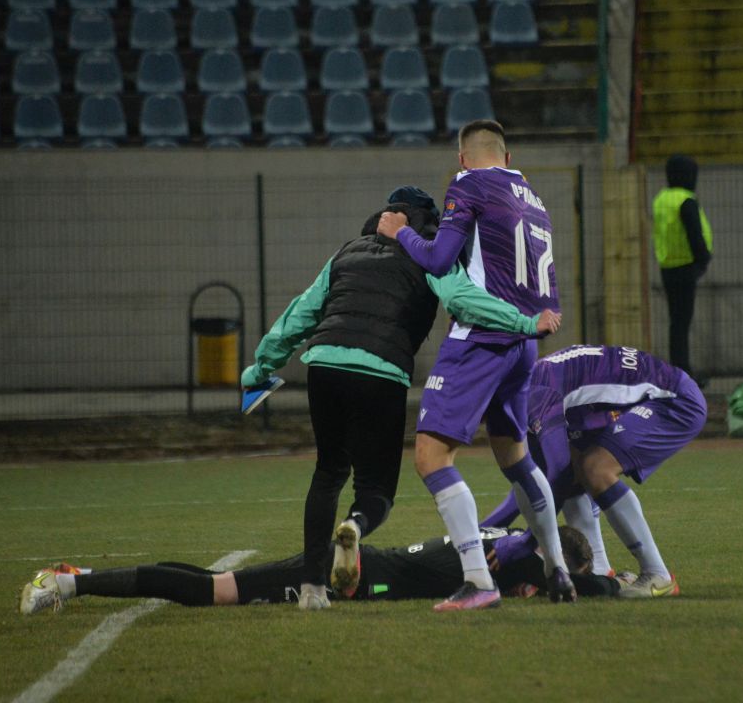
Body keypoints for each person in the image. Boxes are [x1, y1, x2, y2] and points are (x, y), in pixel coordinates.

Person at [241, 186, 561, 612]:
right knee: (376, 490)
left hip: (324, 363)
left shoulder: (347, 251)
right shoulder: (431, 252)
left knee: (328, 472)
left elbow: (300, 313)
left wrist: (261, 367)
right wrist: (523, 321)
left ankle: (312, 589)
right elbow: (462, 300)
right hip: (382, 371)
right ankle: (355, 524)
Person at [376, 120, 574, 611]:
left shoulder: (468, 183)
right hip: (524, 344)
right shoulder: (533, 197)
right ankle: (558, 569)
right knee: (516, 458)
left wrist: (401, 234)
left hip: (480, 339)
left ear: (463, 159)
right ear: (507, 157)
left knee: (430, 456)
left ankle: (479, 581)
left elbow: (440, 260)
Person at [480, 345, 707, 598]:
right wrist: (485, 530)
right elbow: (535, 479)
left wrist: (525, 542)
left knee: (595, 469)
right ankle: (600, 572)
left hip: (675, 400)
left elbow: (556, 475)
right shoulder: (527, 385)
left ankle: (658, 574)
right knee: (578, 468)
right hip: (648, 395)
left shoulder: (534, 396)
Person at [18, 526, 618, 615]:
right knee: (210, 592)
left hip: (384, 563)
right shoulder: (521, 554)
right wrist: (607, 582)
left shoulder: (498, 536)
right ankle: (67, 582)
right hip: (371, 576)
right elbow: (583, 584)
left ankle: (81, 571)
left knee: (210, 582)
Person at [651, 154, 712, 380]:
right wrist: (703, 259)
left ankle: (679, 371)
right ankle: (683, 373)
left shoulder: (661, 199)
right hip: (686, 267)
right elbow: (694, 234)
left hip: (667, 266)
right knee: (682, 322)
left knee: (675, 323)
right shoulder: (686, 200)